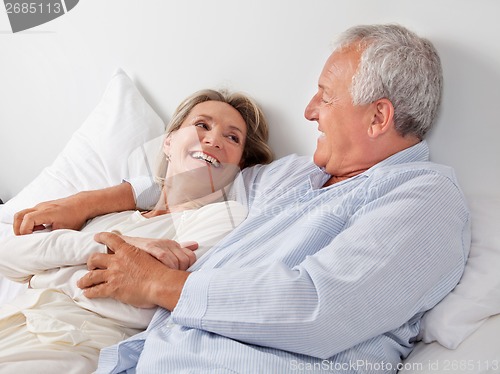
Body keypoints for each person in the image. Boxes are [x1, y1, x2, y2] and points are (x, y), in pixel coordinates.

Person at [14, 24, 470, 373]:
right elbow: (199, 179)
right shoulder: (299, 176)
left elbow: (321, 309)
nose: (310, 110)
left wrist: (157, 283)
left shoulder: (424, 199)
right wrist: (96, 200)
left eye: (325, 97)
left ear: (378, 118)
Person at [0, 89, 273, 372]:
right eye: (202, 125)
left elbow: (145, 308)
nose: (213, 140)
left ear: (239, 165)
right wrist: (115, 246)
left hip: (68, 343)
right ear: (168, 142)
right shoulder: (118, 210)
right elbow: (8, 254)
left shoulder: (221, 218)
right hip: (14, 317)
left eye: (232, 137)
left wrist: (51, 267)